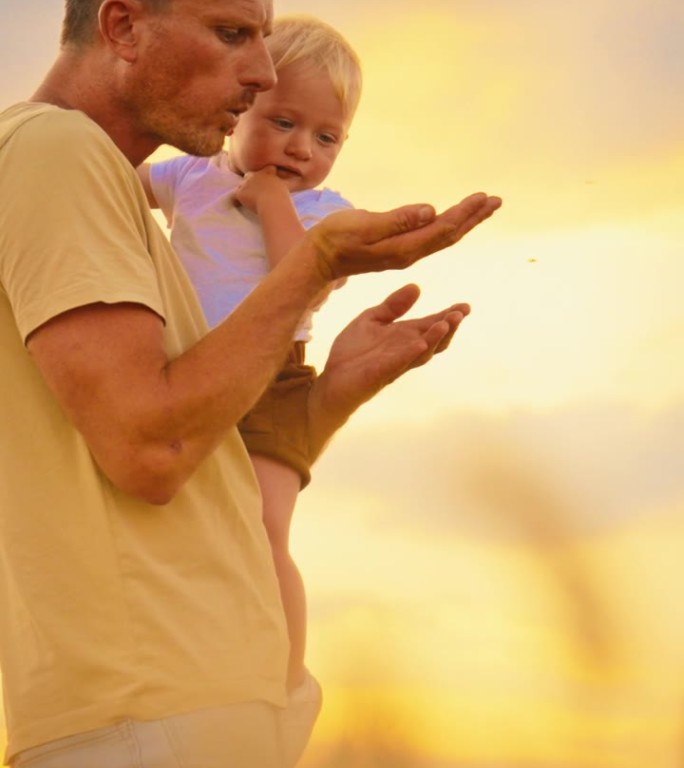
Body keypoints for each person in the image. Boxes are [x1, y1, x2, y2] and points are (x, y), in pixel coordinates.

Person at [0, 1, 501, 767]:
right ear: (124, 26)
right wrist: (312, 265)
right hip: (151, 716)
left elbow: (183, 435)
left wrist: (324, 398)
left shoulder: (86, 179)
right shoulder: (57, 150)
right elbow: (153, 446)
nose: (263, 70)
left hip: (184, 711)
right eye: (232, 33)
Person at [137, 14, 362, 704]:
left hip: (273, 382)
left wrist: (268, 197)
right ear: (239, 109)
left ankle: (285, 682)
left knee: (266, 530)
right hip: (187, 376)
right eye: (284, 122)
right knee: (182, 536)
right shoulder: (192, 176)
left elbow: (305, 271)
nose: (302, 149)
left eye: (326, 137)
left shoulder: (328, 212)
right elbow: (116, 180)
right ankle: (193, 669)